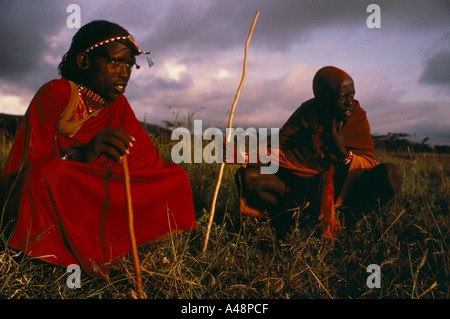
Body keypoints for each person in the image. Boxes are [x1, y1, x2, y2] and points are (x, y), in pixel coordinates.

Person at [0, 20, 196, 273]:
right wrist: (83, 155)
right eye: (115, 62)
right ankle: (51, 246)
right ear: (84, 61)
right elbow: (29, 169)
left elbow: (148, 165)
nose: (124, 73)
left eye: (129, 64)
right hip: (59, 193)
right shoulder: (55, 94)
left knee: (176, 176)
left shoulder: (119, 106)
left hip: (95, 194)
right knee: (42, 174)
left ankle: (120, 235)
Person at [236, 66, 402, 240]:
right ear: (323, 99)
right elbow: (279, 148)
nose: (349, 102)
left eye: (352, 95)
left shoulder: (357, 117)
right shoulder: (307, 113)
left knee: (392, 174)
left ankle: (345, 220)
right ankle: (294, 219)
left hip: (345, 192)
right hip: (304, 192)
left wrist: (343, 153)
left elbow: (367, 162)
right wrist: (242, 156)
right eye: (343, 96)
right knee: (247, 177)